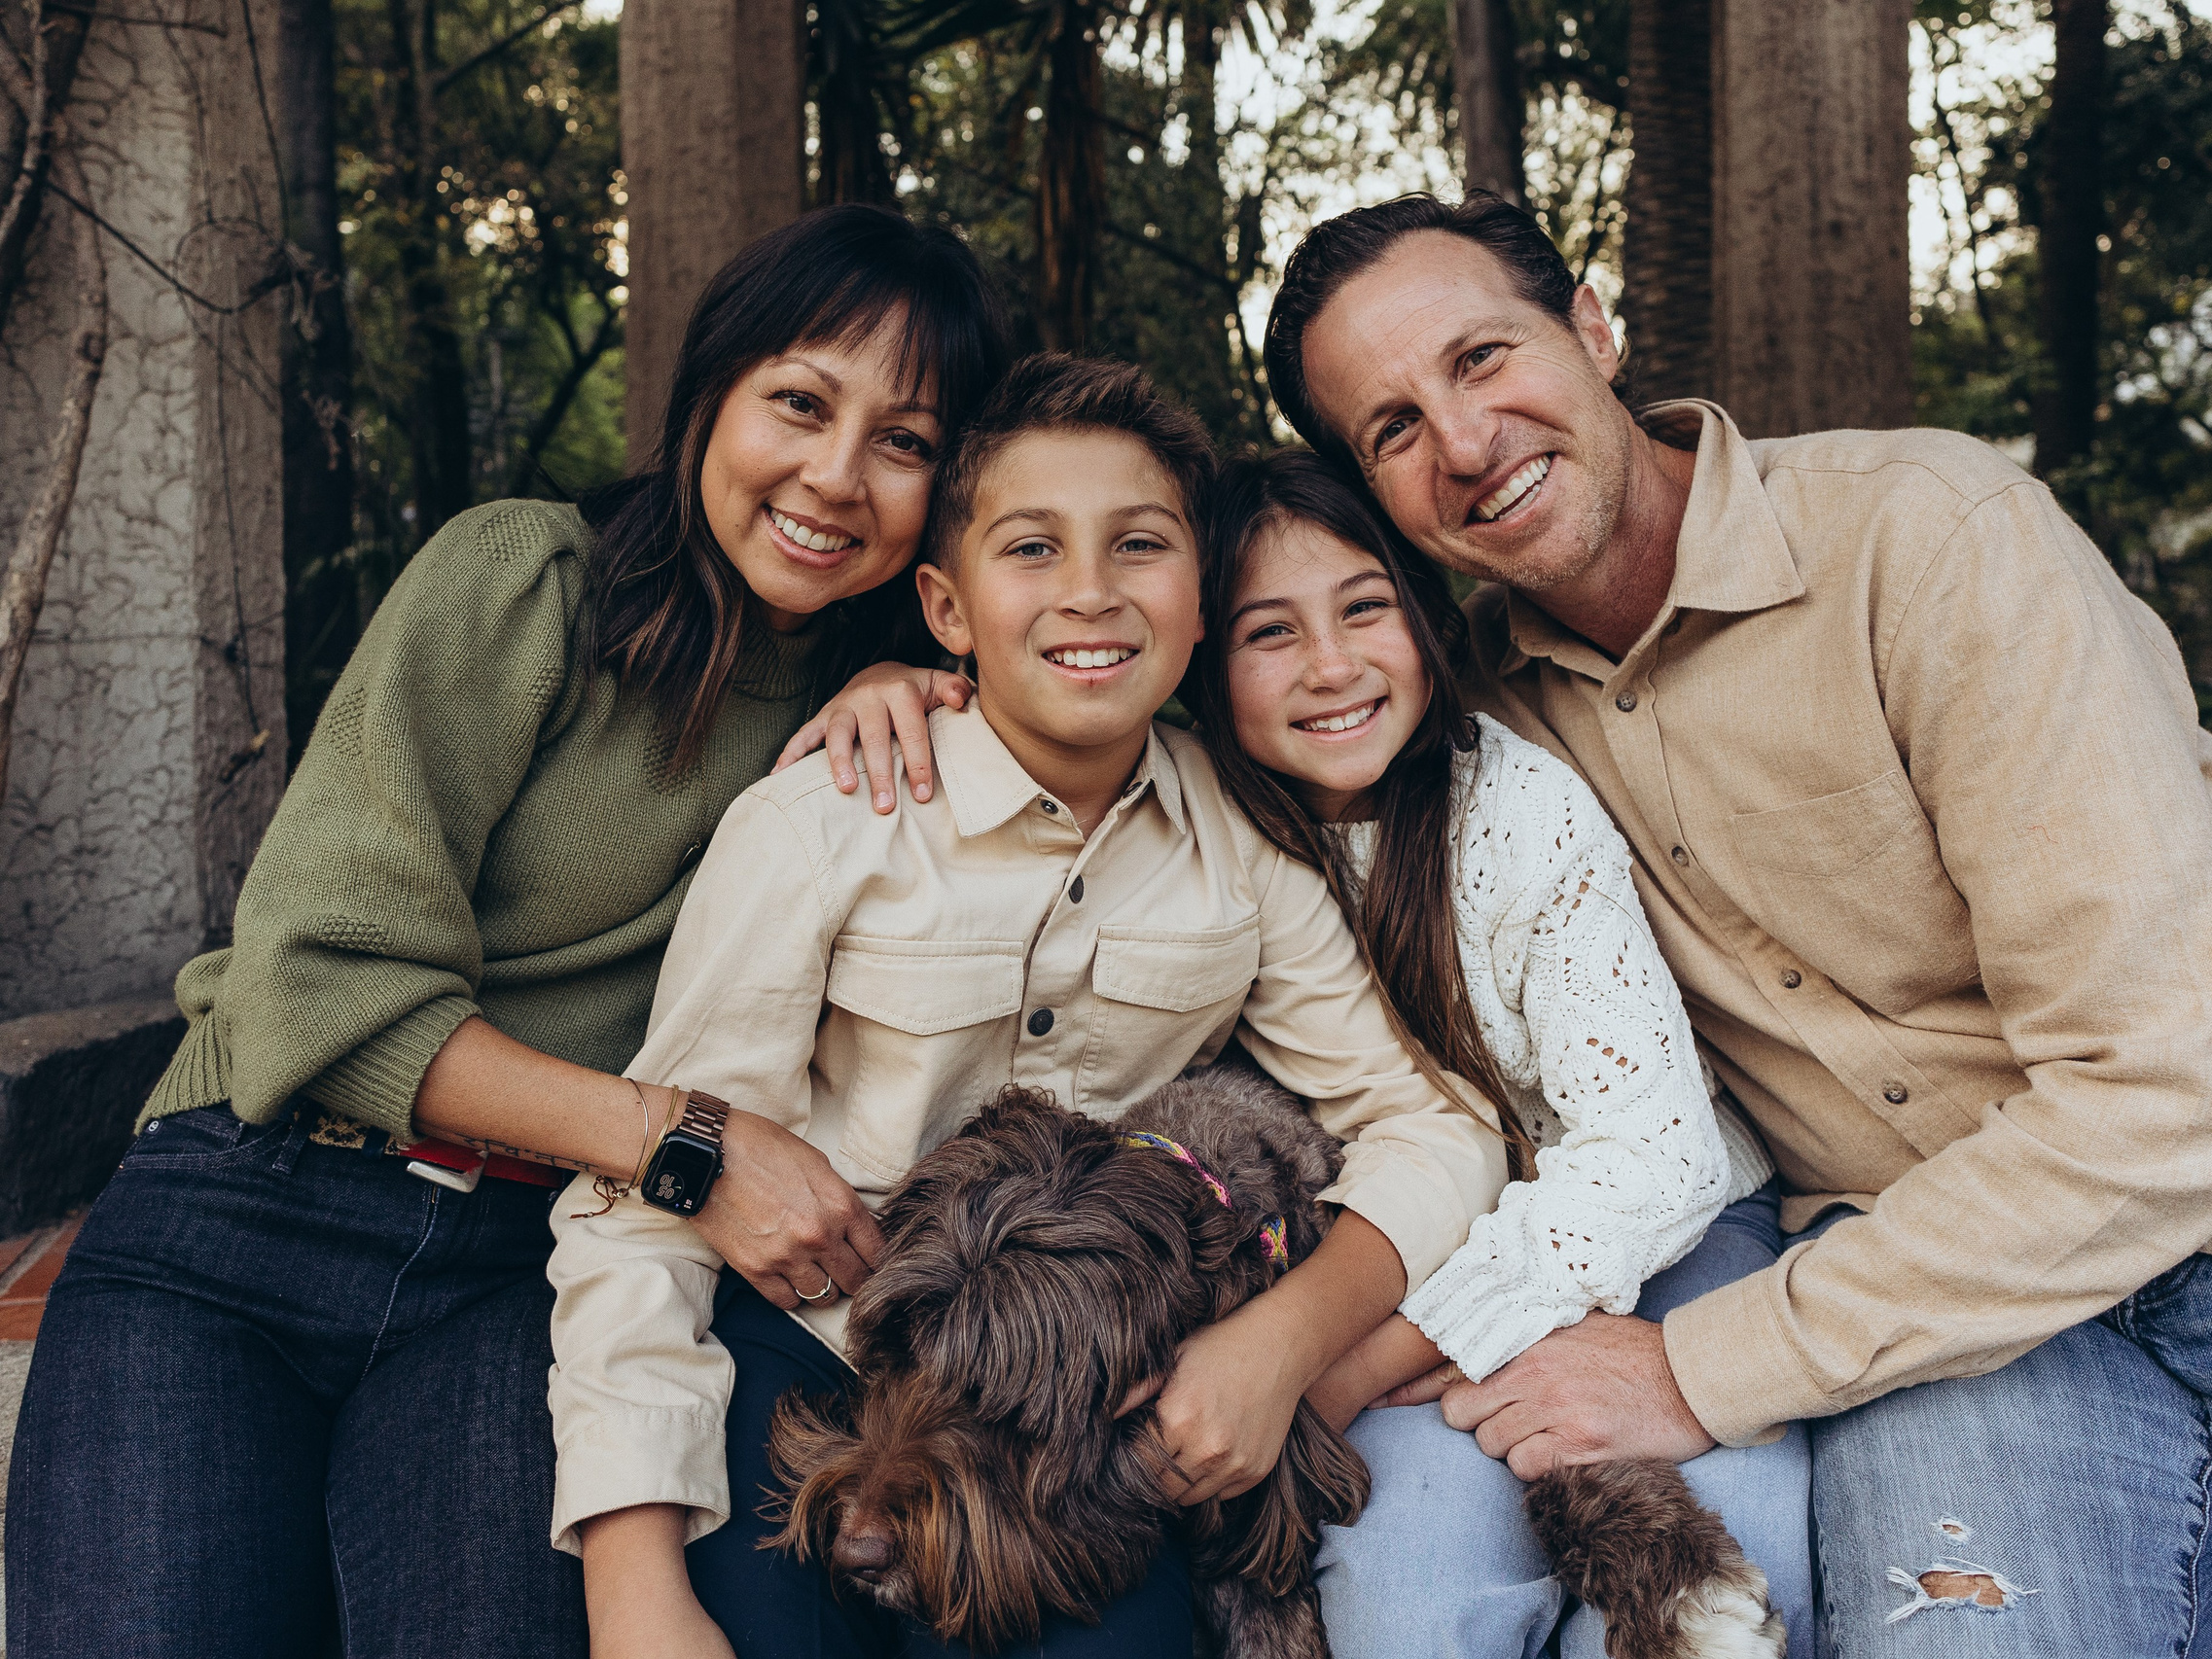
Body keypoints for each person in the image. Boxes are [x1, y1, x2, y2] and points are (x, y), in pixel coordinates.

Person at [814, 191, 2212, 1657]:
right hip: (1955, 1293)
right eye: (1393, 428)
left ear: (1594, 329)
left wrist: (1704, 1362)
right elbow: (1153, 683)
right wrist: (927, 684)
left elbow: (2179, 1094)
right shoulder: (1461, 712)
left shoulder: (1930, 540)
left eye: (1482, 360)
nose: (1461, 442)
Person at [3, 204, 1010, 1659]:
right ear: (711, 391)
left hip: (509, 1271)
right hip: (246, 1200)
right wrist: (692, 1145)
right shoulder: (532, 581)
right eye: (799, 401)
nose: (834, 475)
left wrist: (922, 680)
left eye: (905, 442)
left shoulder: (883, 723)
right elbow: (318, 982)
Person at [546, 353, 1506, 1659]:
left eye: (1141, 545)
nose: (1091, 591)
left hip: (1059, 1415)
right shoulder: (822, 824)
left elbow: (1434, 1126)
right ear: (945, 604)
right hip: (804, 1357)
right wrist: (633, 1580)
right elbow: (647, 1200)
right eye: (1033, 548)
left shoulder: (1242, 839)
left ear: (1200, 595)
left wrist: (1285, 1342)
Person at [1181, 447, 1813, 1656]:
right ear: (1200, 665)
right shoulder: (1202, 828)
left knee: (1752, 1554)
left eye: (1365, 607)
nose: (1331, 665)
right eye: (1268, 632)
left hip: (1655, 1234)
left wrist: (1363, 1362)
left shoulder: (1517, 812)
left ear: (1423, 613)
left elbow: (1655, 1156)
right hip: (1388, 1268)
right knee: (1403, 1600)